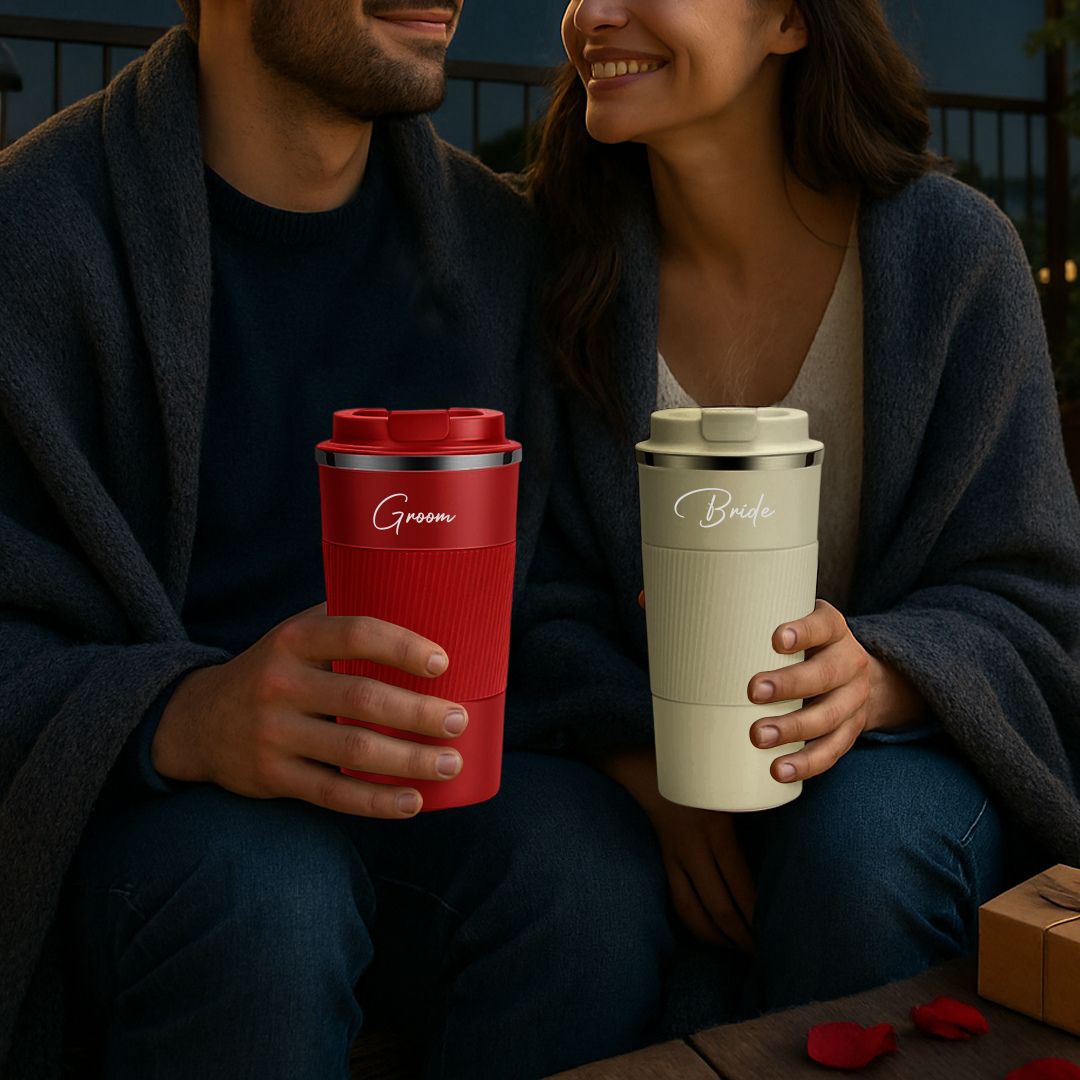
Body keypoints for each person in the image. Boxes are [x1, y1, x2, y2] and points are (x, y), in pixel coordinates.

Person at [0, 2, 676, 1077]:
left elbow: (549, 587)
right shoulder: (36, 235)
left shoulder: (500, 249)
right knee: (267, 896)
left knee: (587, 875)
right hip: (146, 829)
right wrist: (183, 714)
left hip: (421, 798)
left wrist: (637, 737)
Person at [513, 0, 1080, 1032]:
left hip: (894, 770)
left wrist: (877, 676)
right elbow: (529, 586)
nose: (593, 14)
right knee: (570, 878)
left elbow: (1032, 597)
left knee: (860, 846)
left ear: (788, 21)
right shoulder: (550, 269)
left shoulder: (952, 259)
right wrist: (646, 757)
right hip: (625, 762)